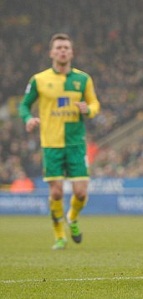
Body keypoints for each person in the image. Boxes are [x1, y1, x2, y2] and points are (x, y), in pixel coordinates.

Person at [19, 33, 101, 250]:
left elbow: (95, 104)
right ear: (51, 53)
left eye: (66, 47)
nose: (62, 50)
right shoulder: (39, 80)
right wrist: (28, 118)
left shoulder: (83, 79)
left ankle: (72, 217)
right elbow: (24, 105)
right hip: (51, 143)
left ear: (71, 52)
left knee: (81, 192)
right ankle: (59, 237)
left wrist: (88, 109)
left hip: (76, 143)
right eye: (59, 47)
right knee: (56, 192)